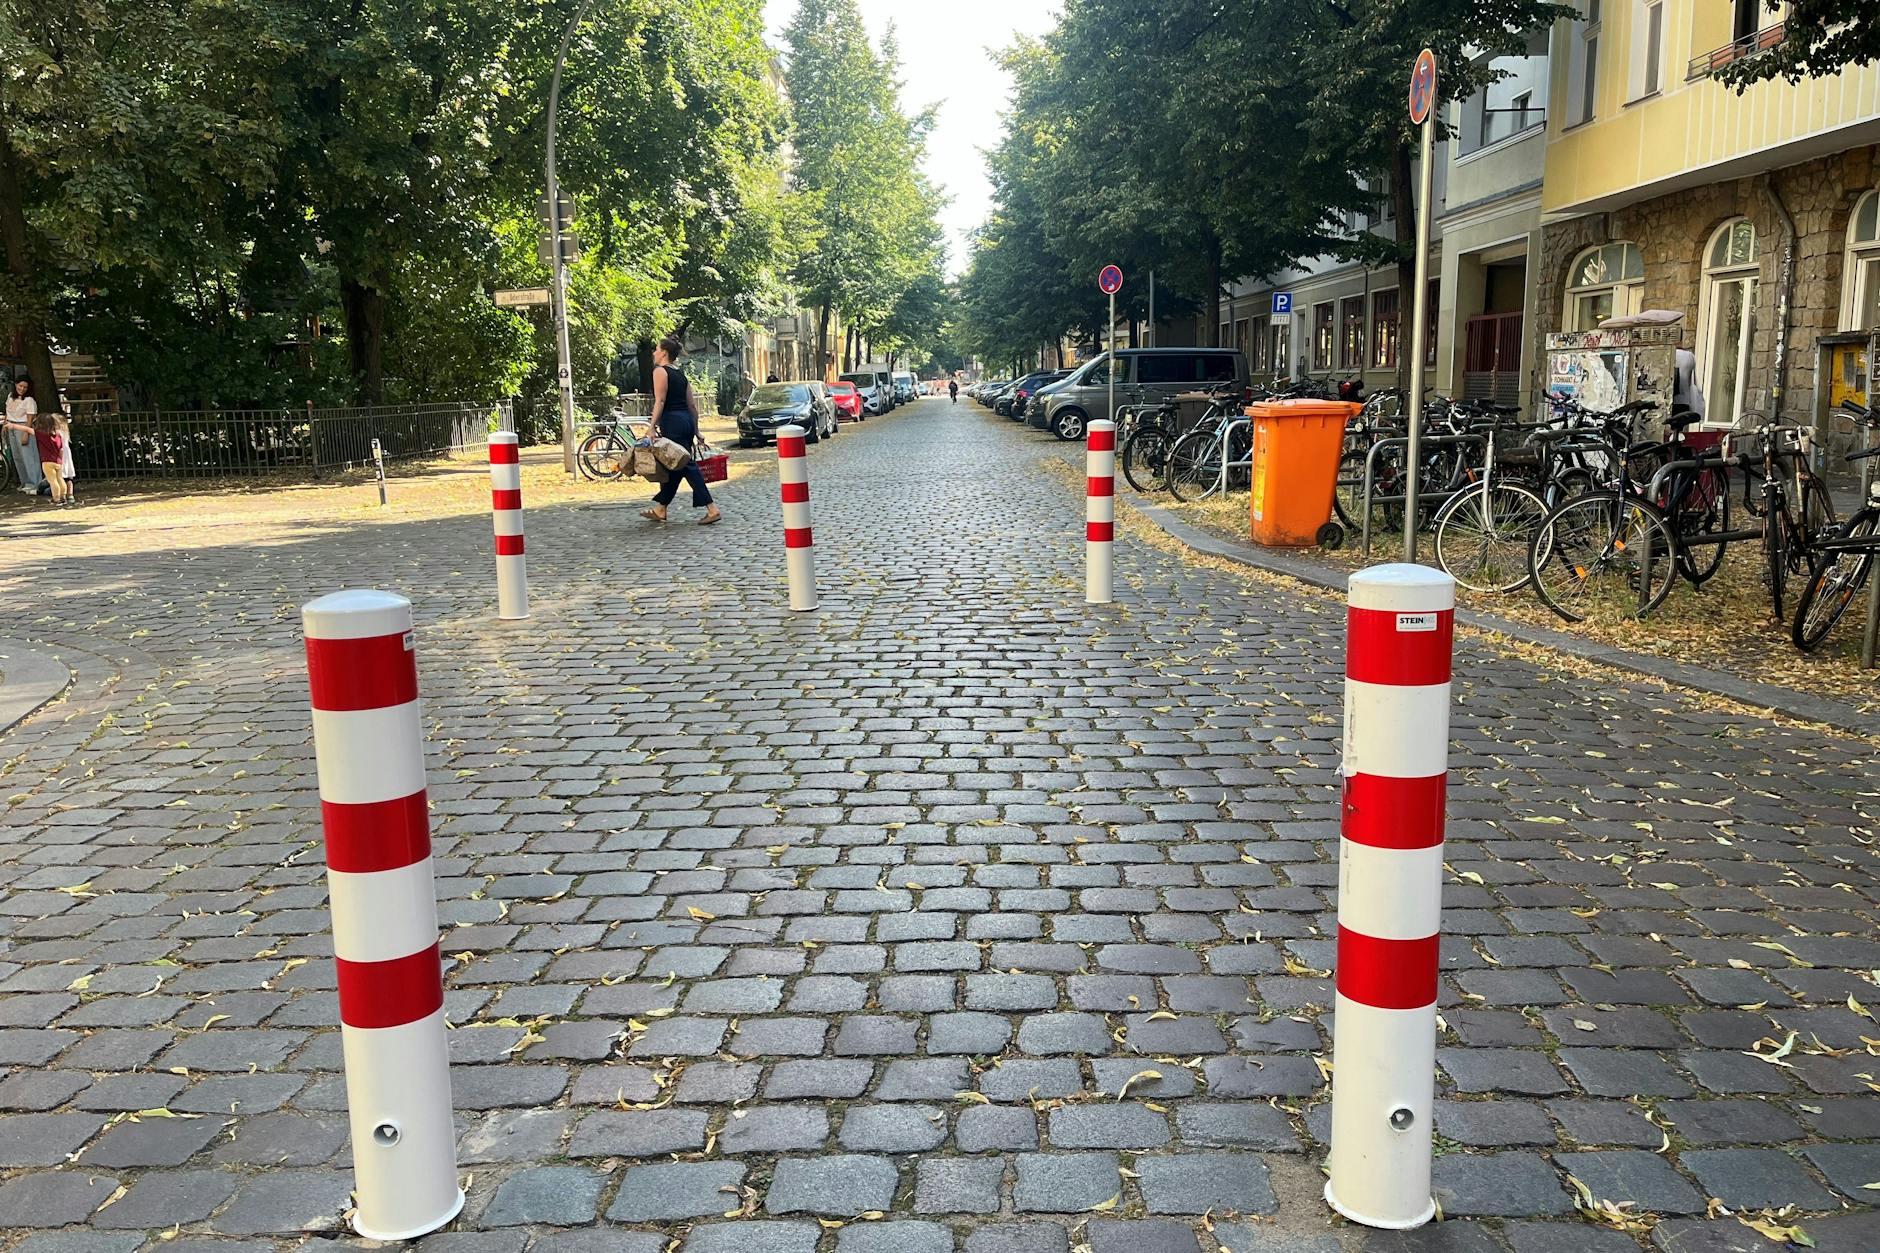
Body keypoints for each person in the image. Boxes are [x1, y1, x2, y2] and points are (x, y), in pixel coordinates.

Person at [641, 335, 721, 526]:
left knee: (685, 464)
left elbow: (659, 401)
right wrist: (696, 430)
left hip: (672, 421)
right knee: (673, 465)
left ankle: (712, 508)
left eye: (656, 349)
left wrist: (651, 427)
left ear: (664, 353)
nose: (654, 352)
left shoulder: (660, 371)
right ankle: (661, 509)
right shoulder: (681, 374)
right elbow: (692, 405)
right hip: (684, 420)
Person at [5, 378, 44, 496]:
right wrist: (4, 426)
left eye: (25, 387)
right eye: (20, 386)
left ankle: (35, 483)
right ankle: (25, 482)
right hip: (11, 426)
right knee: (17, 457)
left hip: (22, 427)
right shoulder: (11, 396)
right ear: (16, 384)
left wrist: (26, 433)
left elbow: (30, 418)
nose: (22, 389)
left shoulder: (29, 400)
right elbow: (7, 412)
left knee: (29, 456)